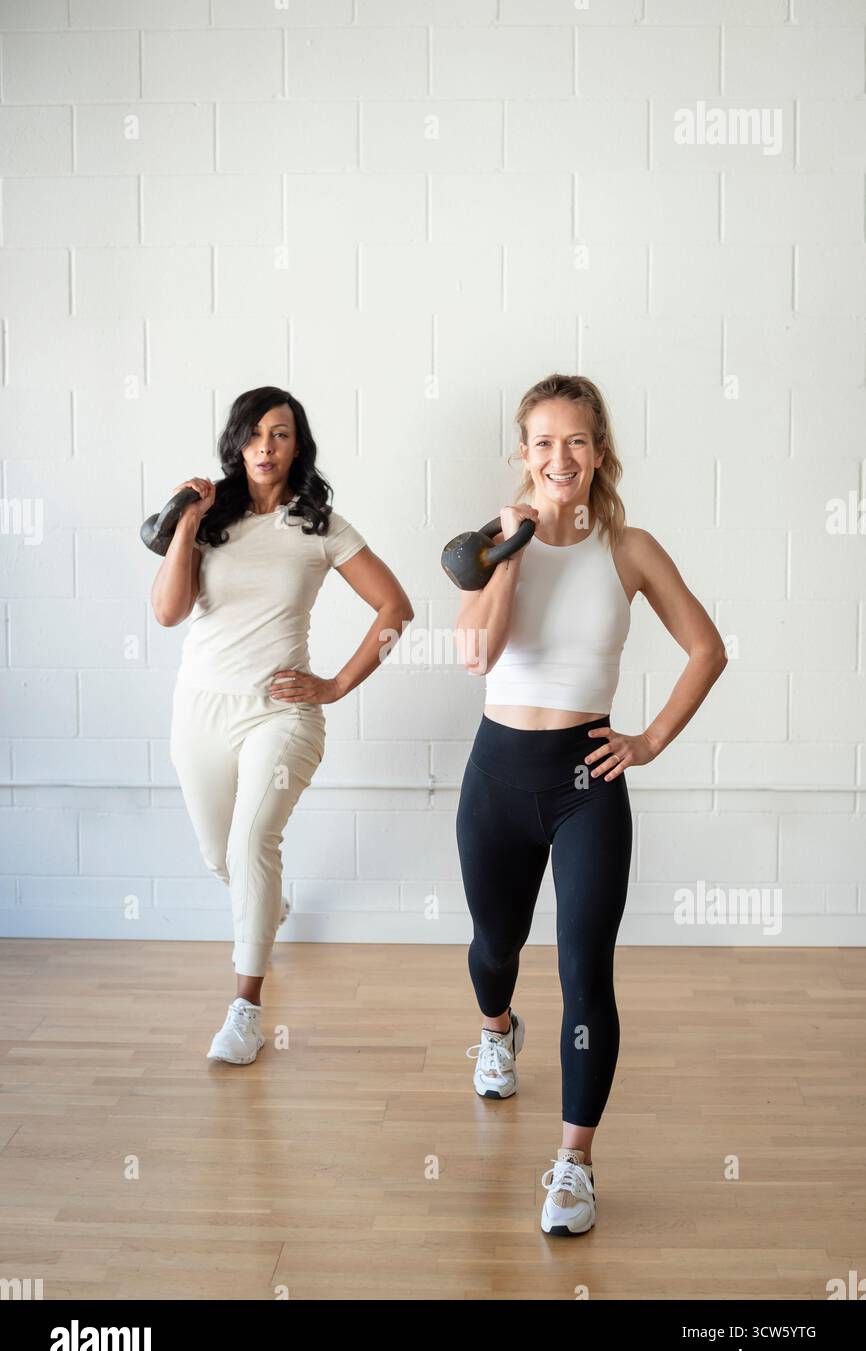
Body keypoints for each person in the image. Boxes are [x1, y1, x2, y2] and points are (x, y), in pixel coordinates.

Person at [455, 373, 728, 1236]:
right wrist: (511, 549)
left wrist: (645, 742)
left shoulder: (630, 548)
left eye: (577, 441)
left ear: (599, 451)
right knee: (494, 948)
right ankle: (497, 1028)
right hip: (497, 775)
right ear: (523, 453)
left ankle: (573, 1163)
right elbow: (474, 653)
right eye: (543, 442)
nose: (560, 457)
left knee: (586, 975)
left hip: (586, 783)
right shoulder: (494, 544)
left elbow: (706, 649)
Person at [150, 385, 413, 1064]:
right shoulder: (209, 521)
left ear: (298, 446)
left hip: (283, 712)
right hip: (200, 709)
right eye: (254, 434)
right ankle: (267, 909)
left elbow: (395, 609)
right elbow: (167, 612)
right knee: (222, 856)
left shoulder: (319, 526)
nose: (266, 448)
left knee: (250, 844)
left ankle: (245, 1010)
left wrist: (334, 684)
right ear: (236, 443)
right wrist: (185, 523)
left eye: (281, 434)